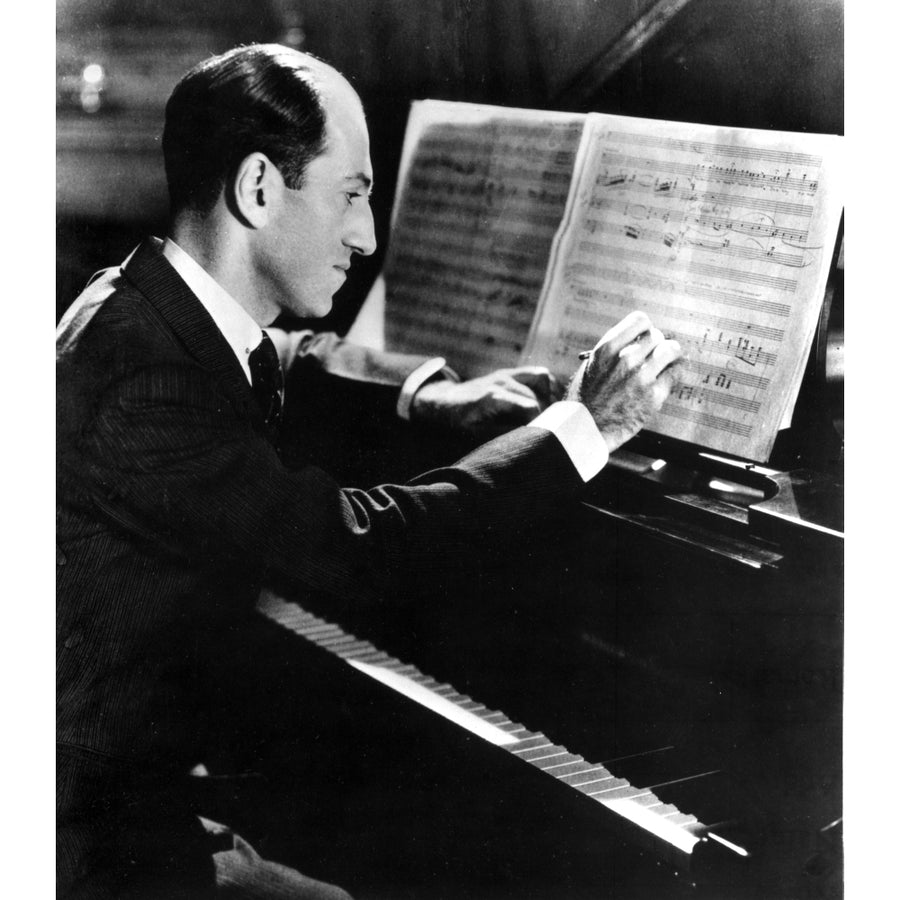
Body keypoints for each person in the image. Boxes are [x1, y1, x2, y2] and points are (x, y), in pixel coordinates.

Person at [56, 43, 683, 899]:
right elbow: (364, 550)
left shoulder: (141, 304)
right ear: (259, 190)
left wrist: (427, 398)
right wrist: (585, 424)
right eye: (352, 195)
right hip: (85, 842)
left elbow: (280, 349)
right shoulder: (148, 387)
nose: (368, 235)